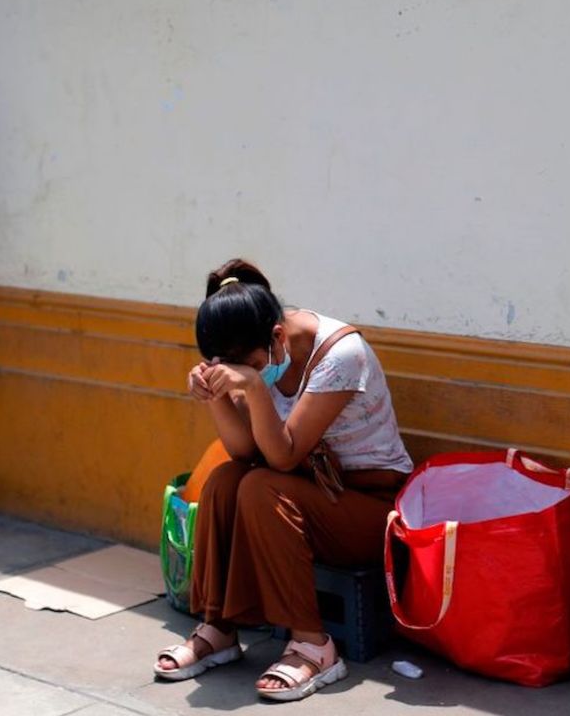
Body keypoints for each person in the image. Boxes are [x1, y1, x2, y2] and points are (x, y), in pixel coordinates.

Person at [154, 258, 413, 702]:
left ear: (276, 336)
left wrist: (253, 388)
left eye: (251, 365)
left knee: (260, 486)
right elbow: (244, 452)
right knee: (225, 479)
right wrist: (216, 396)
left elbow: (283, 455)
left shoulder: (339, 355)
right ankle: (218, 628)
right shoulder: (257, 349)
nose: (246, 374)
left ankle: (315, 646)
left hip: (373, 509)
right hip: (313, 491)